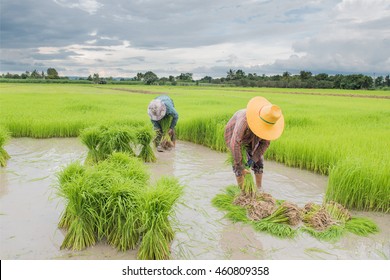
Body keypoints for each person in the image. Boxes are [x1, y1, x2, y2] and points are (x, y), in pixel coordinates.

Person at [224, 96, 284, 192]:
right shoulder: (244, 120)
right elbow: (235, 143)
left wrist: (253, 160)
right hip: (235, 135)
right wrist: (241, 166)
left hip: (252, 137)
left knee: (258, 161)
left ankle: (259, 188)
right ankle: (242, 192)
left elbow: (264, 145)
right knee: (238, 164)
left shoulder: (269, 125)